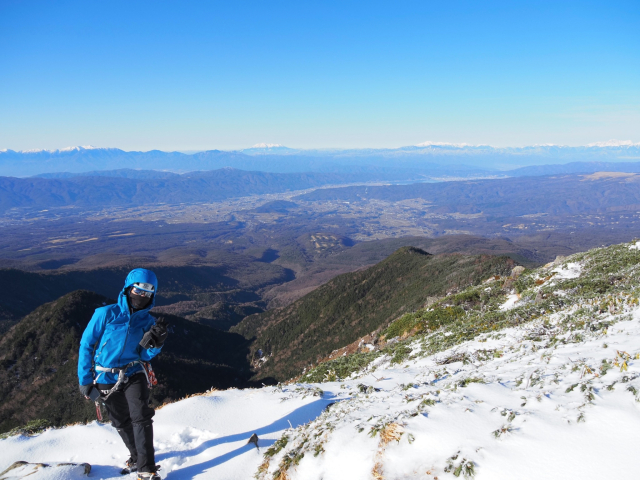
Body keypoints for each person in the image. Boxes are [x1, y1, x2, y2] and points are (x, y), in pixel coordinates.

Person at [78, 268, 168, 480]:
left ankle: (146, 469)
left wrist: (157, 344)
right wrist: (85, 380)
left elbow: (144, 355)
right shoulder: (105, 314)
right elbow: (86, 345)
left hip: (133, 372)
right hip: (105, 375)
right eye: (138, 291)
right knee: (120, 421)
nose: (142, 296)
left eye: (147, 293)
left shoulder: (148, 322)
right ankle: (136, 456)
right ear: (128, 289)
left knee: (141, 416)